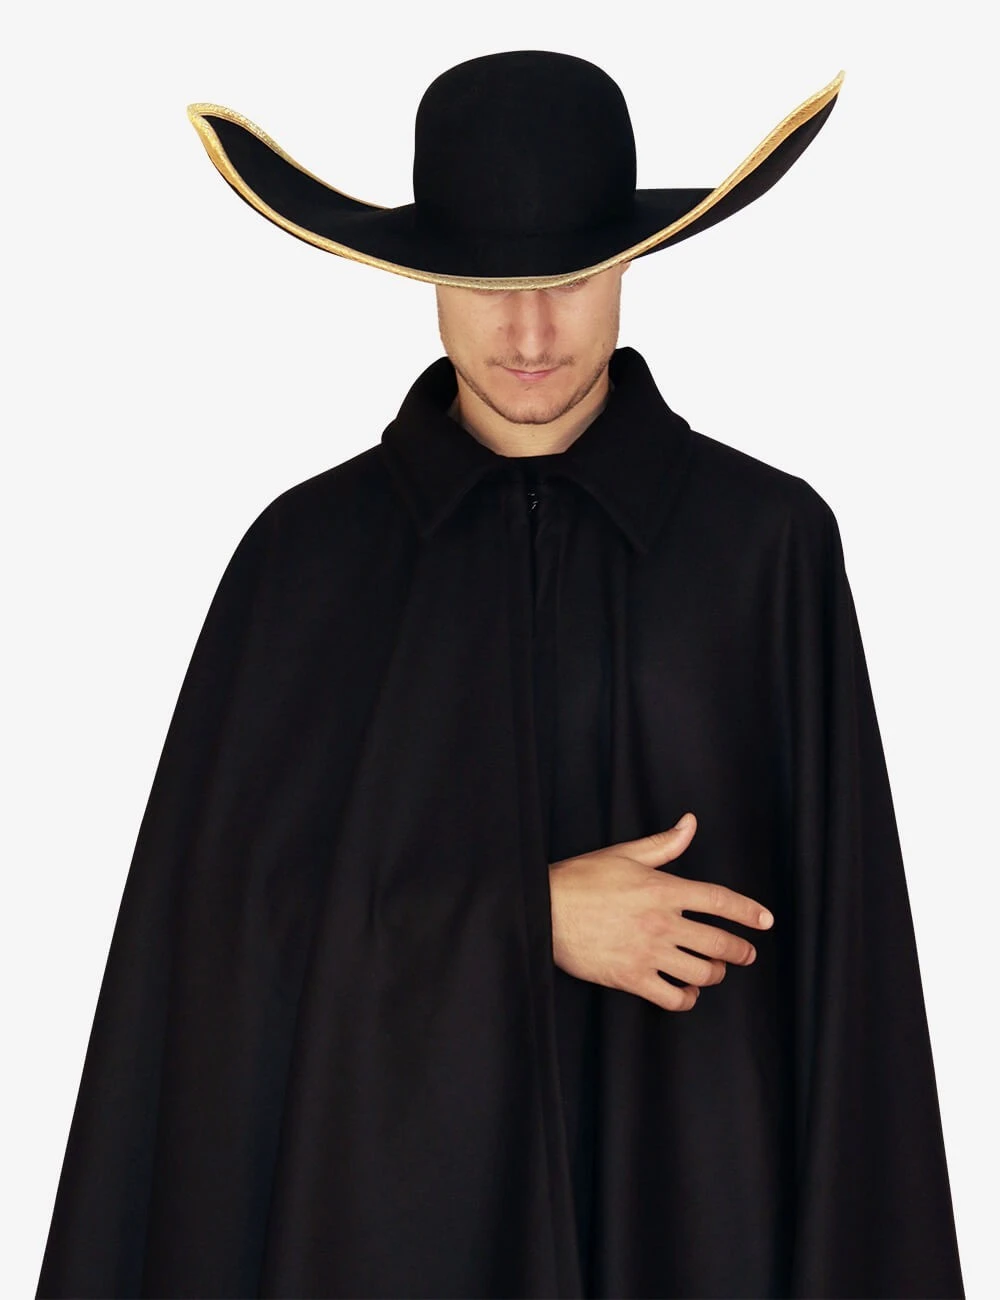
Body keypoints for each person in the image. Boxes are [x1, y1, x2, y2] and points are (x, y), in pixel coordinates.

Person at [37, 50, 964, 1299]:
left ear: (632, 263)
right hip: (381, 1239)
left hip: (693, 1222)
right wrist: (527, 922)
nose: (528, 334)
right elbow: (210, 961)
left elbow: (850, 993)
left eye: (568, 280)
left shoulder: (765, 549)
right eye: (484, 286)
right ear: (425, 278)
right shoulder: (303, 561)